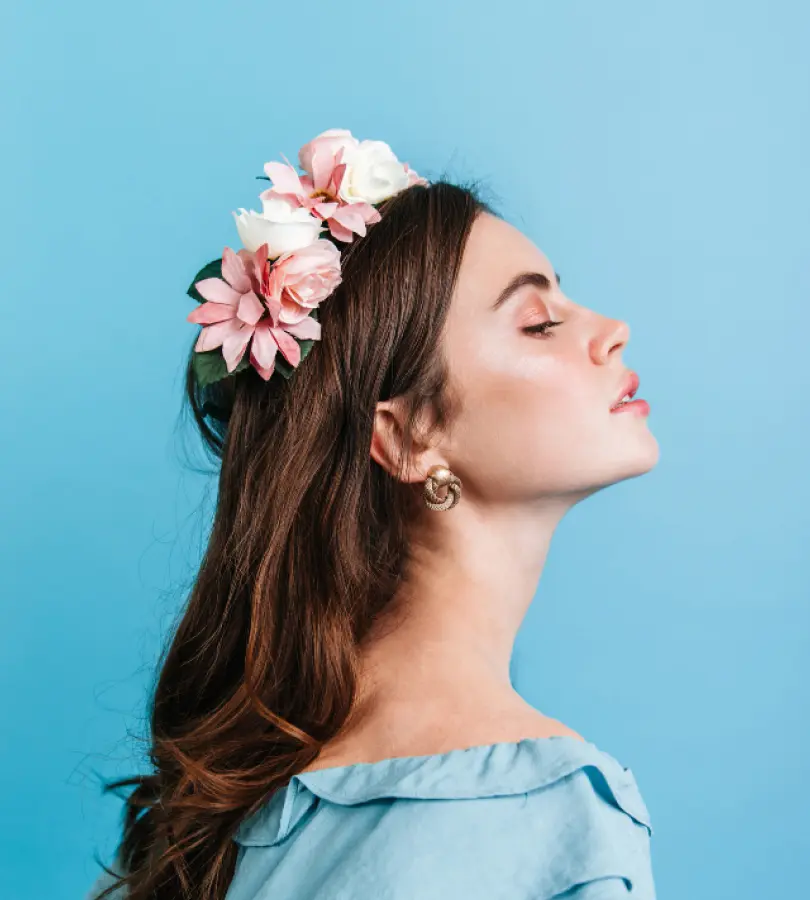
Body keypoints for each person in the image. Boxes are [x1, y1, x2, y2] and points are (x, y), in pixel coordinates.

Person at [86, 128, 659, 900]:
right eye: (538, 322)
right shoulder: (557, 821)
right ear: (408, 434)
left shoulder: (214, 820)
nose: (609, 330)